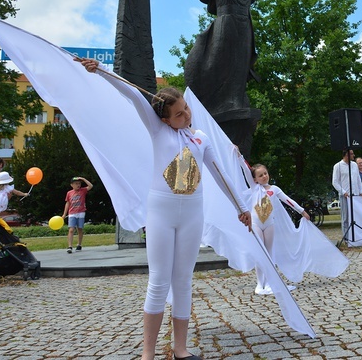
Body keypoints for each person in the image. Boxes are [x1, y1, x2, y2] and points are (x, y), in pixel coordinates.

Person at [78, 57, 251, 360]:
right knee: (159, 280)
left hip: (192, 214)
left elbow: (220, 173)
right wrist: (102, 71)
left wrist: (240, 207)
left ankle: (180, 350)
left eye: (186, 109)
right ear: (165, 120)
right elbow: (132, 94)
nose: (186, 115)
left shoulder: (200, 137)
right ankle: (148, 354)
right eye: (179, 114)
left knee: (183, 280)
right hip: (161, 212)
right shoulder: (158, 131)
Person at [184, 0, 300, 155]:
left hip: (243, 29)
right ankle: (215, 99)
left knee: (239, 67)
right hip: (224, 26)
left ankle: (234, 100)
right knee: (218, 61)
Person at [250, 164, 309, 295]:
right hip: (256, 224)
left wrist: (302, 211)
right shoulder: (254, 188)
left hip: (269, 224)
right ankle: (260, 284)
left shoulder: (275, 189)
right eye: (260, 175)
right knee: (260, 252)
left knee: (270, 253)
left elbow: (288, 200)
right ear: (255, 179)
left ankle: (271, 281)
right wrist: (239, 156)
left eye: (265, 173)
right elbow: (243, 167)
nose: (264, 176)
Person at [332, 150, 362, 241]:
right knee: (345, 217)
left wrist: (361, 191)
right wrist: (343, 191)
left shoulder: (354, 165)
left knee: (355, 216)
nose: (354, 155)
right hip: (345, 195)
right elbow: (335, 182)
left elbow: (358, 179)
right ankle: (346, 237)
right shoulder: (338, 166)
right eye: (352, 154)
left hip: (355, 195)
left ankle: (355, 235)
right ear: (346, 155)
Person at [61, 176, 93, 253]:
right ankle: (70, 246)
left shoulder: (83, 190)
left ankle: (79, 244)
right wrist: (64, 214)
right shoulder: (69, 193)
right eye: (76, 184)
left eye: (79, 183)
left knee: (80, 229)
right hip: (72, 213)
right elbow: (67, 203)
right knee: (71, 229)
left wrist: (83, 179)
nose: (78, 185)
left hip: (81, 212)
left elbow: (91, 186)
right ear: (72, 185)